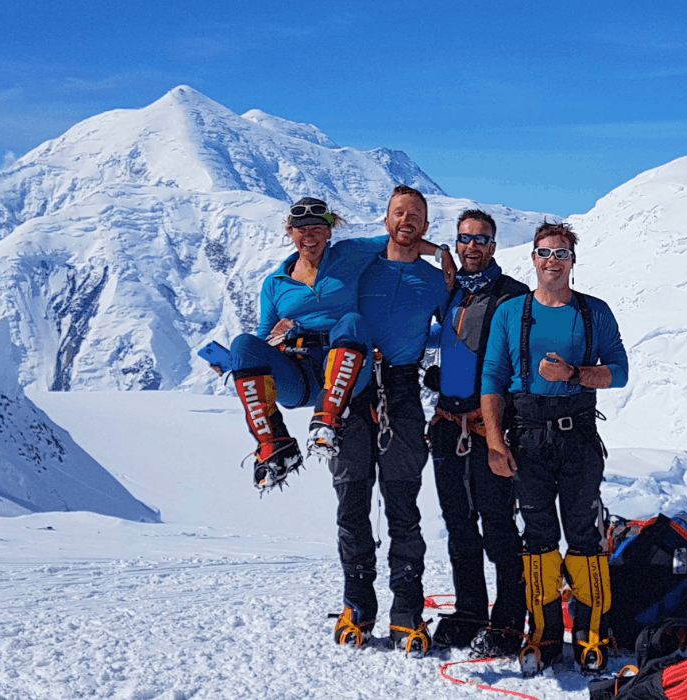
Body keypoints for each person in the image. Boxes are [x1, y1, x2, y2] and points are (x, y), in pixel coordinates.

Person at [479, 222, 629, 674]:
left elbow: (618, 371)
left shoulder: (593, 312)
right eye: (544, 253)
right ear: (533, 258)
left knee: (584, 535)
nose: (552, 261)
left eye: (561, 253)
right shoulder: (511, 312)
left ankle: (590, 635)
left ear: (572, 260)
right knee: (538, 537)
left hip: (578, 435)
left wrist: (575, 375)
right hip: (526, 435)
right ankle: (542, 636)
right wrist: (493, 439)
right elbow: (491, 377)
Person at [216, 196, 444, 491]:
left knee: (352, 321)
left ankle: (327, 423)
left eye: (316, 229)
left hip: (346, 370)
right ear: (290, 231)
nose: (309, 237)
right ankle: (274, 446)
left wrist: (441, 253)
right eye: (302, 230)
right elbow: (261, 339)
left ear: (329, 231)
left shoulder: (349, 254)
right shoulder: (275, 283)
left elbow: (400, 240)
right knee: (242, 344)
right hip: (300, 375)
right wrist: (235, 362)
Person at [329, 185, 455, 652]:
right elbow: (317, 295)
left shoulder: (437, 280)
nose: (406, 219)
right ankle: (357, 607)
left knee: (403, 508)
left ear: (424, 225)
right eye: (398, 212)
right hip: (352, 386)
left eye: (415, 215)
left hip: (401, 389)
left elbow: (459, 330)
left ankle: (407, 613)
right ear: (386, 221)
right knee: (351, 503)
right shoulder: (360, 267)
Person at [424, 210, 531, 655]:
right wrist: (443, 378)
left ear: (493, 245)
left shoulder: (512, 296)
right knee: (459, 525)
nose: (472, 247)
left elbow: (515, 363)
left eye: (481, 239)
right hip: (448, 425)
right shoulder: (449, 291)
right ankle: (470, 611)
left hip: (490, 428)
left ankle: (509, 620)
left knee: (499, 526)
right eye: (464, 238)